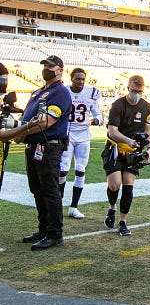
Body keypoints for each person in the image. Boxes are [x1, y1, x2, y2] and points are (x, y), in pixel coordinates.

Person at [16, 56, 72, 250]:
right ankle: (43, 229)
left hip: (48, 147)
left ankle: (55, 234)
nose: (46, 68)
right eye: (44, 66)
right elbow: (27, 118)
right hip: (33, 146)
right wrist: (21, 131)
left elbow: (46, 122)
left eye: (50, 66)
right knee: (36, 189)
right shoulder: (38, 92)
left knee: (49, 190)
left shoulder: (61, 93)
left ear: (59, 70)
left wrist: (20, 132)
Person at [102, 75, 150, 236]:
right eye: (133, 90)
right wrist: (128, 141)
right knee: (115, 184)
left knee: (128, 184)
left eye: (139, 91)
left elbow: (147, 131)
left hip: (133, 152)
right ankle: (112, 208)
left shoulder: (146, 107)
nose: (136, 94)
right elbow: (112, 131)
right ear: (128, 88)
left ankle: (123, 221)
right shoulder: (117, 105)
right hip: (114, 148)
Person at [59, 68, 103, 219]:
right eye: (78, 79)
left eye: (83, 79)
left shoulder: (91, 92)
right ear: (71, 79)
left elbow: (98, 113)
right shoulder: (63, 91)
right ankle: (59, 202)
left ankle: (74, 207)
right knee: (63, 169)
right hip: (67, 135)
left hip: (84, 135)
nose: (81, 82)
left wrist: (97, 119)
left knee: (80, 169)